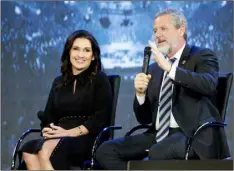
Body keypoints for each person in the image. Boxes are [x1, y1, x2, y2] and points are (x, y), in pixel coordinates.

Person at [96, 9, 230, 170]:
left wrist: (170, 68)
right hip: (158, 135)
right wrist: (140, 95)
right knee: (106, 151)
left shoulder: (202, 56)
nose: (157, 34)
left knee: (158, 152)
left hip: (193, 135)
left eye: (163, 29)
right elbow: (144, 119)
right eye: (155, 30)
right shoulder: (154, 69)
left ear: (181, 30)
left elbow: (208, 84)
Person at [20, 30, 113, 170]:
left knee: (46, 152)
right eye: (76, 49)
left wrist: (69, 133)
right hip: (59, 135)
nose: (80, 55)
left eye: (86, 50)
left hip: (88, 136)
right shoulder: (58, 82)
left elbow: (100, 118)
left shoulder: (100, 79)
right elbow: (49, 116)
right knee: (28, 150)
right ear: (69, 52)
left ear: (93, 56)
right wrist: (48, 130)